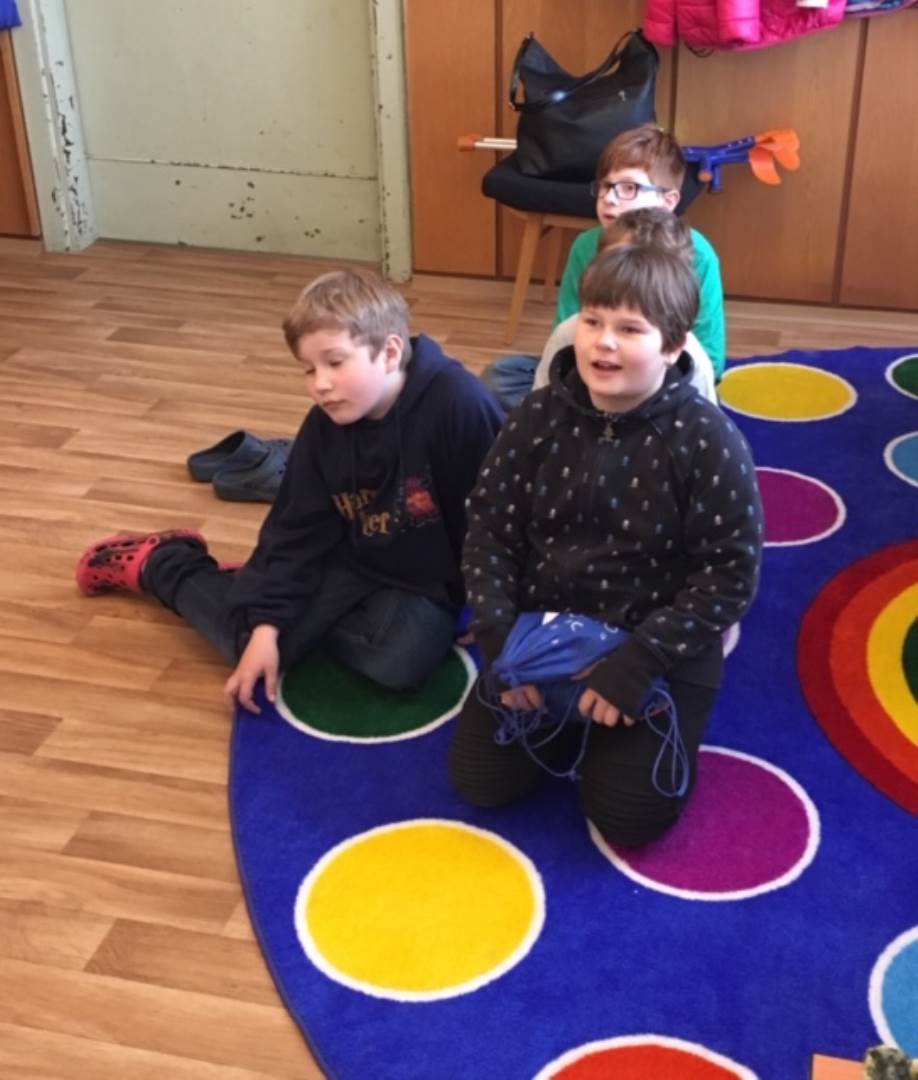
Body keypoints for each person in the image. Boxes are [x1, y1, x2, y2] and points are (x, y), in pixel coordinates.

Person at [75, 268, 504, 713]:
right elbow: (296, 529)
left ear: (390, 352)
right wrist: (267, 625)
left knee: (399, 663)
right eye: (308, 369)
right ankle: (165, 562)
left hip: (424, 576)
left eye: (335, 363)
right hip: (348, 560)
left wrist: (494, 603)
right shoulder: (323, 428)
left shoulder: (459, 402)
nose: (320, 384)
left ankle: (250, 590)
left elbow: (504, 516)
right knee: (250, 640)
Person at [450, 244, 762, 846]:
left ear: (673, 346)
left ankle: (604, 718)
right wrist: (499, 644)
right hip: (543, 632)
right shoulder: (536, 416)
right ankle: (571, 710)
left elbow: (730, 575)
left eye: (630, 329)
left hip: (655, 646)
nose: (603, 343)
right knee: (481, 781)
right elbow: (489, 531)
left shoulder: (709, 440)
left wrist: (634, 667)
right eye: (592, 320)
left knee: (629, 815)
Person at [483, 123, 726, 410]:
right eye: (605, 186)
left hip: (657, 371)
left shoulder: (699, 254)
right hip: (594, 363)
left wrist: (642, 373)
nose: (609, 198)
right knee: (501, 377)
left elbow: (709, 358)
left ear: (668, 200)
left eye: (628, 188)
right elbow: (567, 331)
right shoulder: (586, 245)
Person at [533, 208, 718, 404]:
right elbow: (540, 403)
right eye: (614, 265)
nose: (604, 341)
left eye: (630, 329)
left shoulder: (690, 355)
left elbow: (704, 410)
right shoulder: (570, 332)